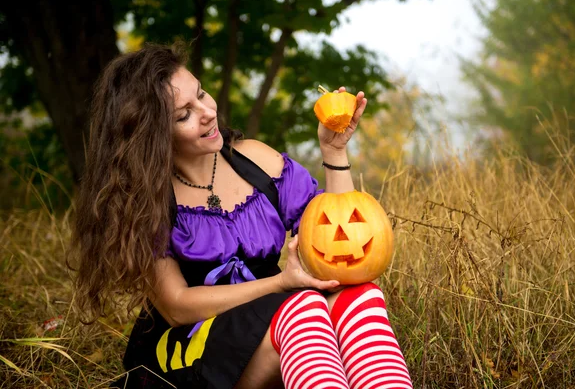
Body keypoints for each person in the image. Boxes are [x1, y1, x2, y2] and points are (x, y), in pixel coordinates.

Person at [69, 41, 413, 389]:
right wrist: (280, 284)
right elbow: (177, 306)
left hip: (279, 317)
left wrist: (334, 150)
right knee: (304, 307)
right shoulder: (145, 201)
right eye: (184, 114)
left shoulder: (256, 162)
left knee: (360, 296)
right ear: (153, 135)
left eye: (201, 95)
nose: (206, 112)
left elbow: (340, 230)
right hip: (193, 346)